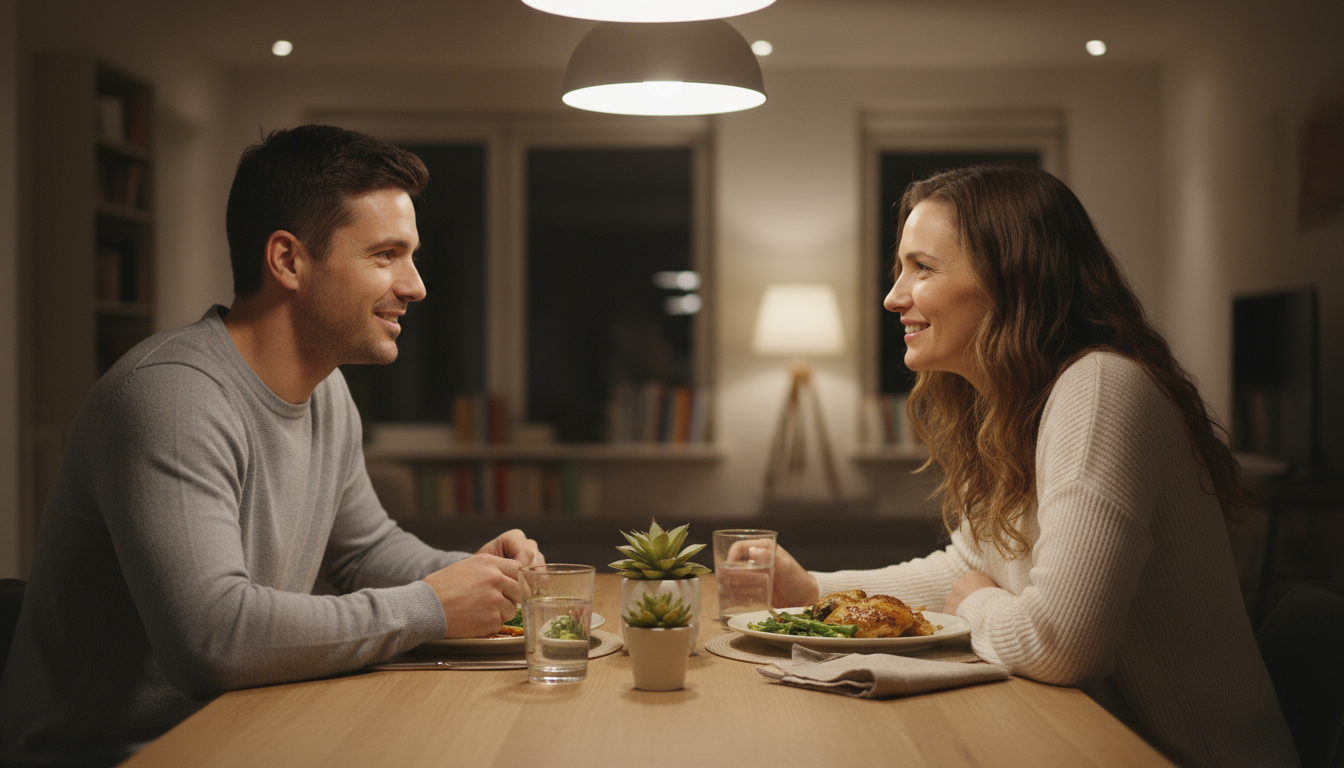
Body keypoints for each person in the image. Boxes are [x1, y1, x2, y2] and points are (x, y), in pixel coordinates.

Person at [0, 125, 543, 767]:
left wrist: (476, 576)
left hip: (245, 731)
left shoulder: (327, 391)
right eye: (386, 255)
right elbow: (213, 637)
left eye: (412, 256)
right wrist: (430, 605)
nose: (416, 285)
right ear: (287, 260)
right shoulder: (172, 399)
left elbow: (364, 549)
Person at [768, 164, 1299, 768]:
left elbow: (1061, 645)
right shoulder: (1009, 404)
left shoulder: (1100, 390)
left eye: (923, 268)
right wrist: (812, 592)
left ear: (1008, 279)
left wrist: (976, 603)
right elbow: (969, 569)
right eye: (900, 270)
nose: (894, 297)